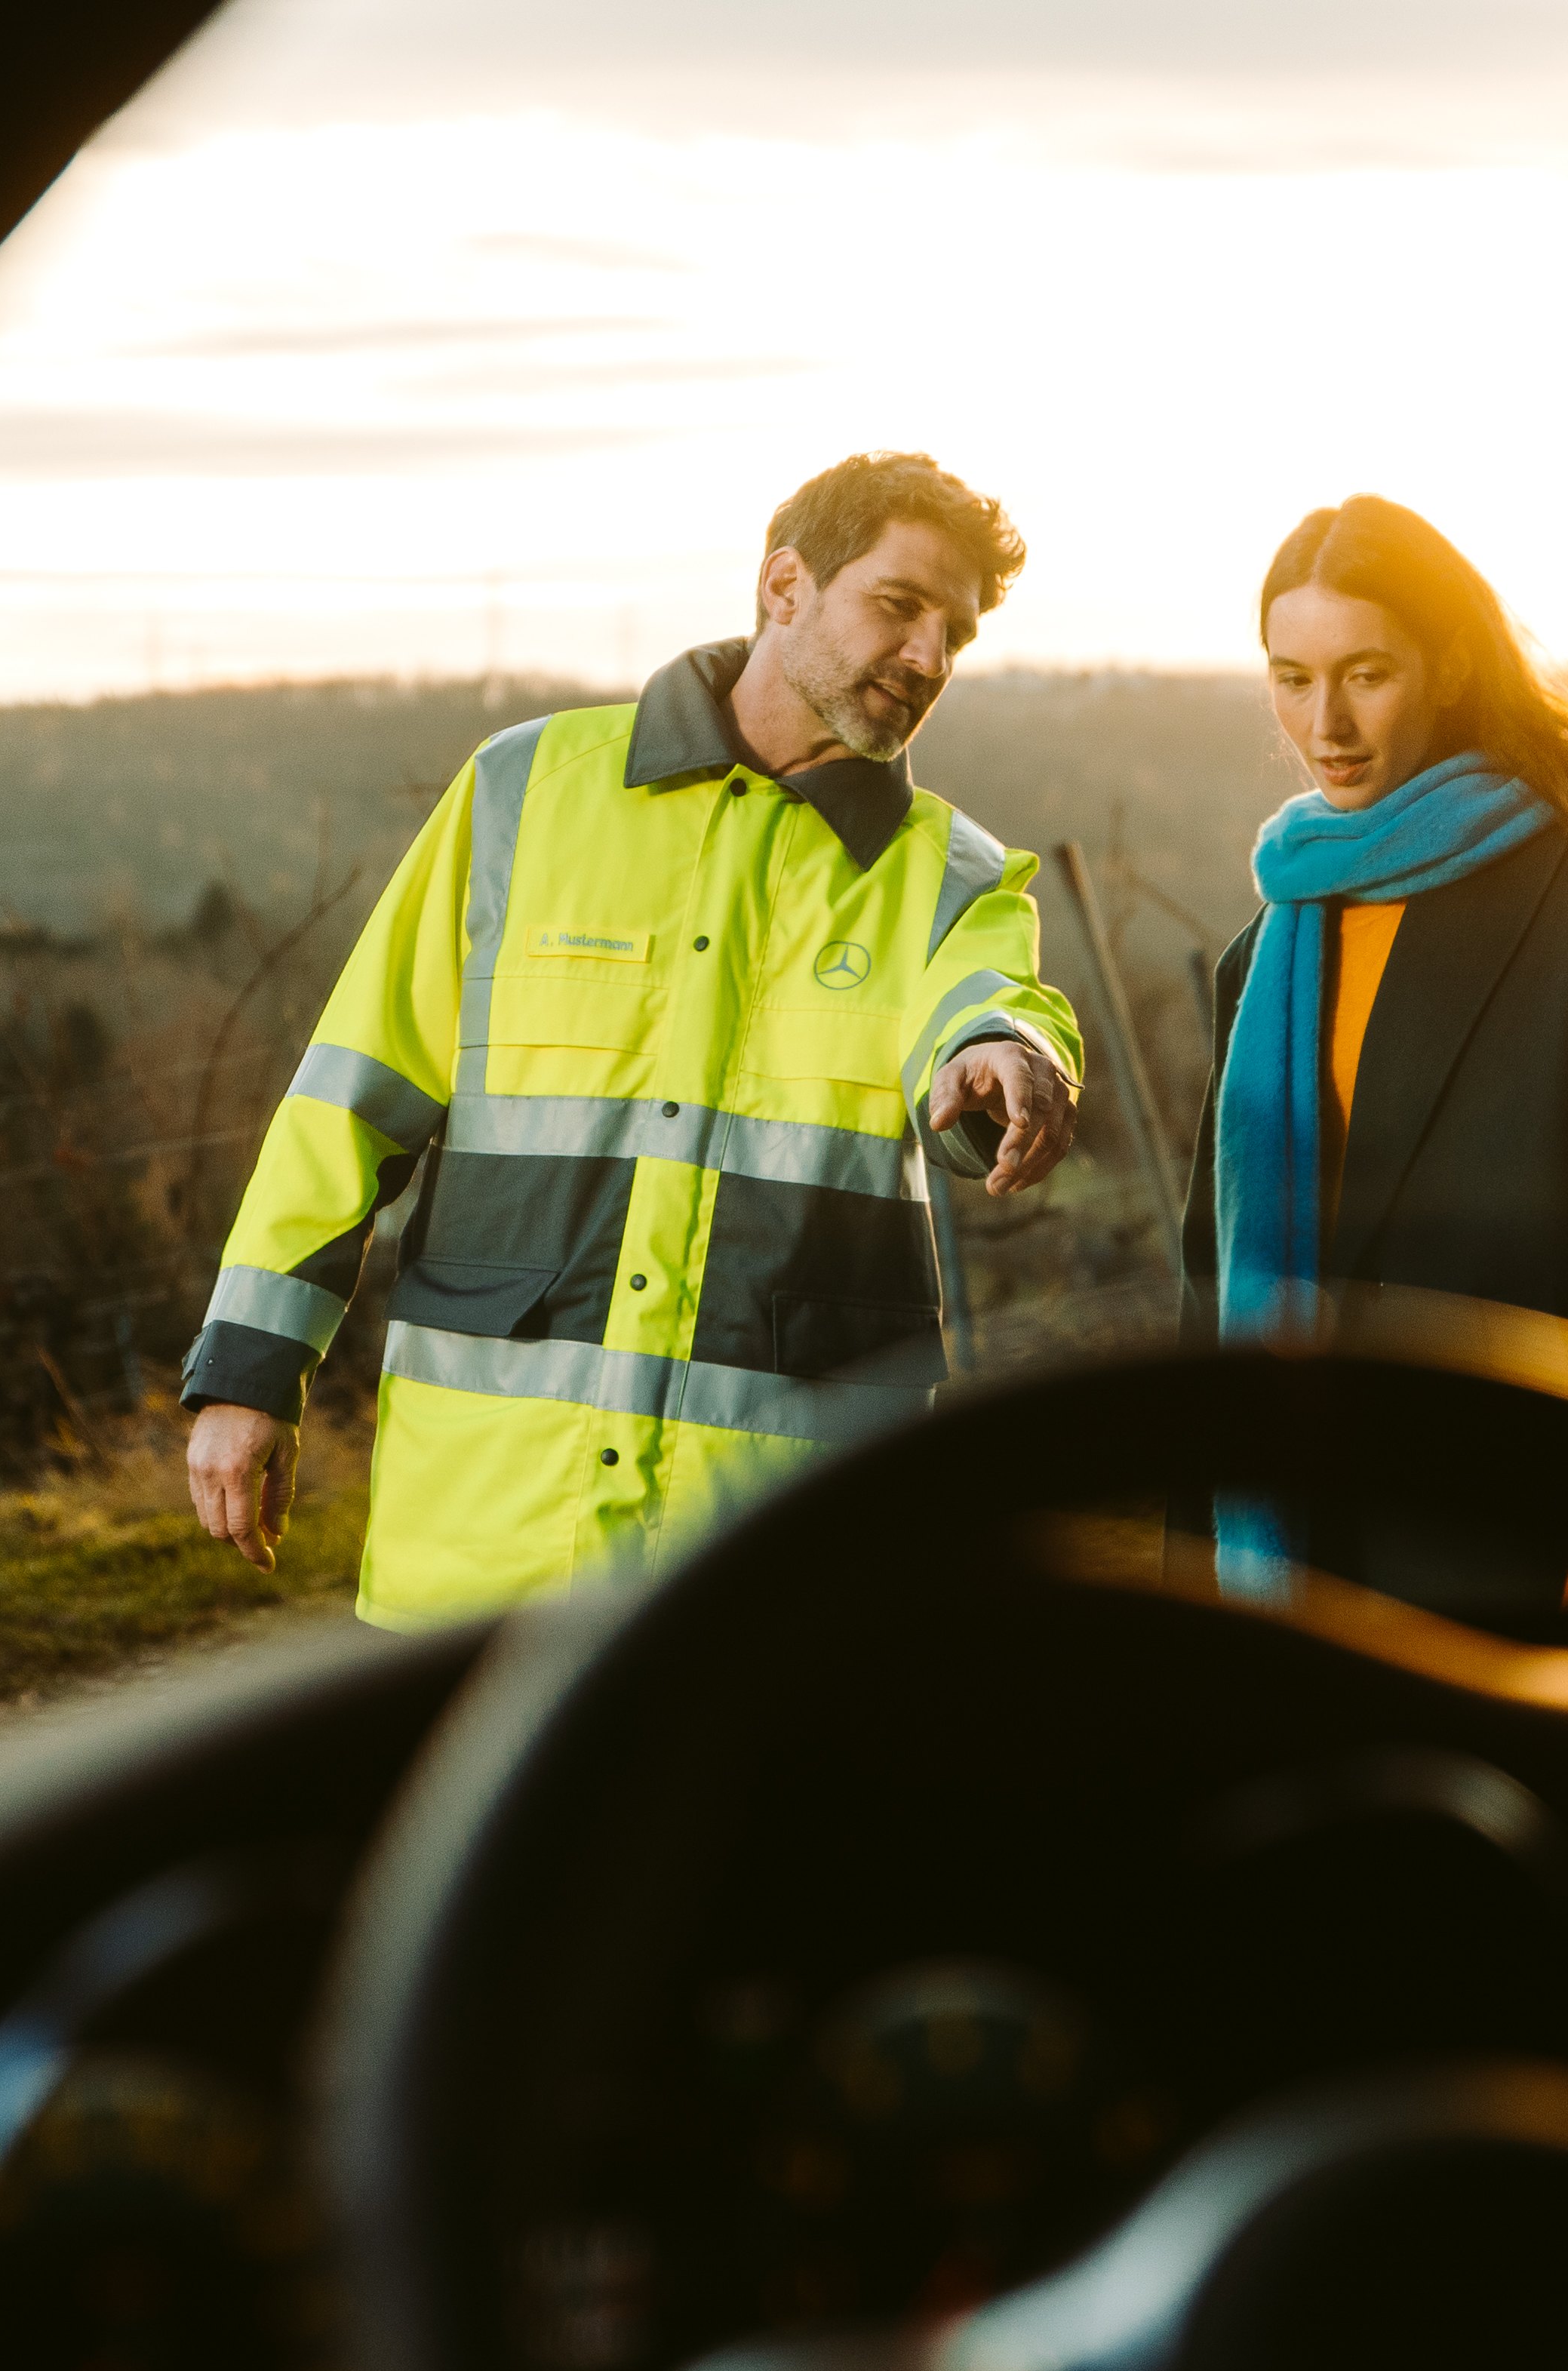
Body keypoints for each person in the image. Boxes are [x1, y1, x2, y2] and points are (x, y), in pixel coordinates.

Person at [182, 453, 1084, 1627]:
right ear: (783, 587)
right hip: (485, 1528)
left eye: (954, 634)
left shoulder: (954, 874)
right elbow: (354, 1096)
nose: (927, 658)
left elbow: (996, 1004)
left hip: (778, 1561)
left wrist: (1008, 1054)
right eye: (899, 606)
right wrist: (251, 1375)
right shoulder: (521, 793)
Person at [1181, 494, 1568, 1608]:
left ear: (1452, 669)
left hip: (1501, 1525)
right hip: (1292, 1522)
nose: (1326, 722)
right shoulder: (1261, 953)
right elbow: (1210, 1283)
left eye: (1366, 673)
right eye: (1291, 678)